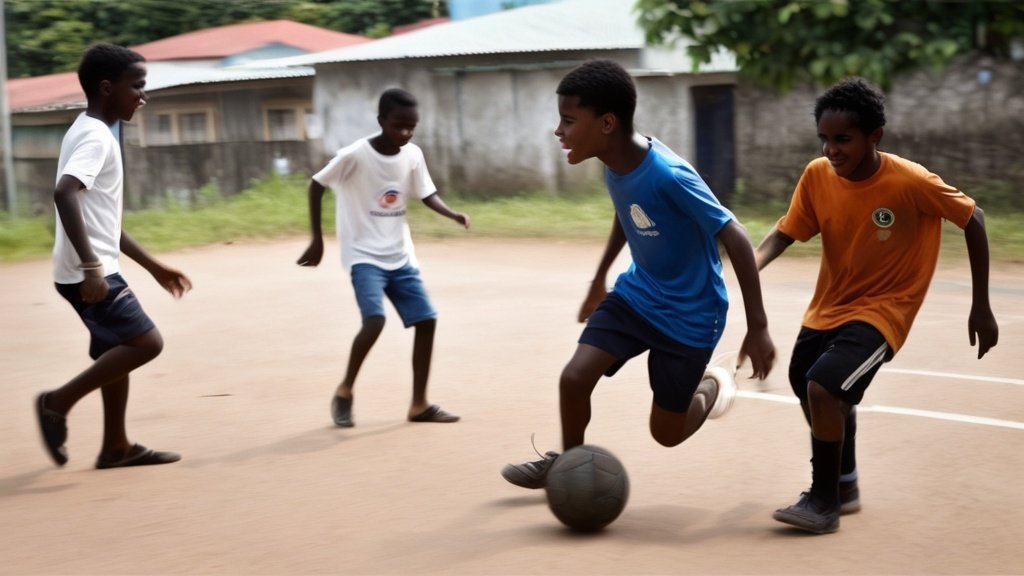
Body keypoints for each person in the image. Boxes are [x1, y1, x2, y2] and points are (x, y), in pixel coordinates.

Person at [500, 59, 776, 489]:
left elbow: (736, 236)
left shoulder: (668, 175)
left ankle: (712, 388)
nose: (559, 131)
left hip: (691, 314)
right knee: (574, 378)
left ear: (606, 123)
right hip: (638, 296)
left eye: (568, 121)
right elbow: (627, 211)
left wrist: (757, 326)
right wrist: (599, 278)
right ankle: (569, 468)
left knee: (665, 433)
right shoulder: (614, 159)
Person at [756, 77, 999, 534]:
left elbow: (974, 217)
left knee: (824, 388)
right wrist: (749, 268)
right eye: (824, 139)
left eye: (843, 139)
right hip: (829, 306)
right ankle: (844, 482)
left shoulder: (909, 180)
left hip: (885, 310)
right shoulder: (817, 176)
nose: (831, 150)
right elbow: (787, 230)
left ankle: (823, 502)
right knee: (804, 379)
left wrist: (981, 306)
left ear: (874, 137)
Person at [36, 43, 192, 470]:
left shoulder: (88, 129)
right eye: (137, 86)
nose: (143, 96)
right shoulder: (95, 137)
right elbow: (64, 192)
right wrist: (91, 268)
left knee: (116, 351)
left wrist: (154, 267)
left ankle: (116, 447)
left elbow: (102, 221)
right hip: (88, 272)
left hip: (90, 267)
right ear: (107, 88)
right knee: (146, 343)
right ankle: (56, 403)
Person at [297, 88, 470, 427]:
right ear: (381, 122)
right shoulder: (355, 155)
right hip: (363, 255)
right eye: (398, 126)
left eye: (411, 127)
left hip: (399, 254)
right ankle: (345, 391)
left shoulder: (413, 155)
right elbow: (316, 185)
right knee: (374, 320)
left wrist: (451, 214)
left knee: (427, 320)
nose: (405, 133)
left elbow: (426, 192)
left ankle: (419, 405)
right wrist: (317, 240)